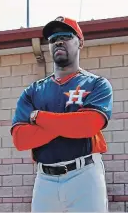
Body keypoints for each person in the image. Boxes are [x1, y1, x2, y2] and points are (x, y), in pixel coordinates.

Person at [11, 16, 113, 212]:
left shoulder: (96, 84)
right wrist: (70, 124)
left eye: (65, 36)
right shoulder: (33, 91)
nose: (58, 41)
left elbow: (89, 125)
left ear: (79, 42)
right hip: (45, 179)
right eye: (52, 38)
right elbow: (20, 139)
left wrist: (39, 118)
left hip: (84, 174)